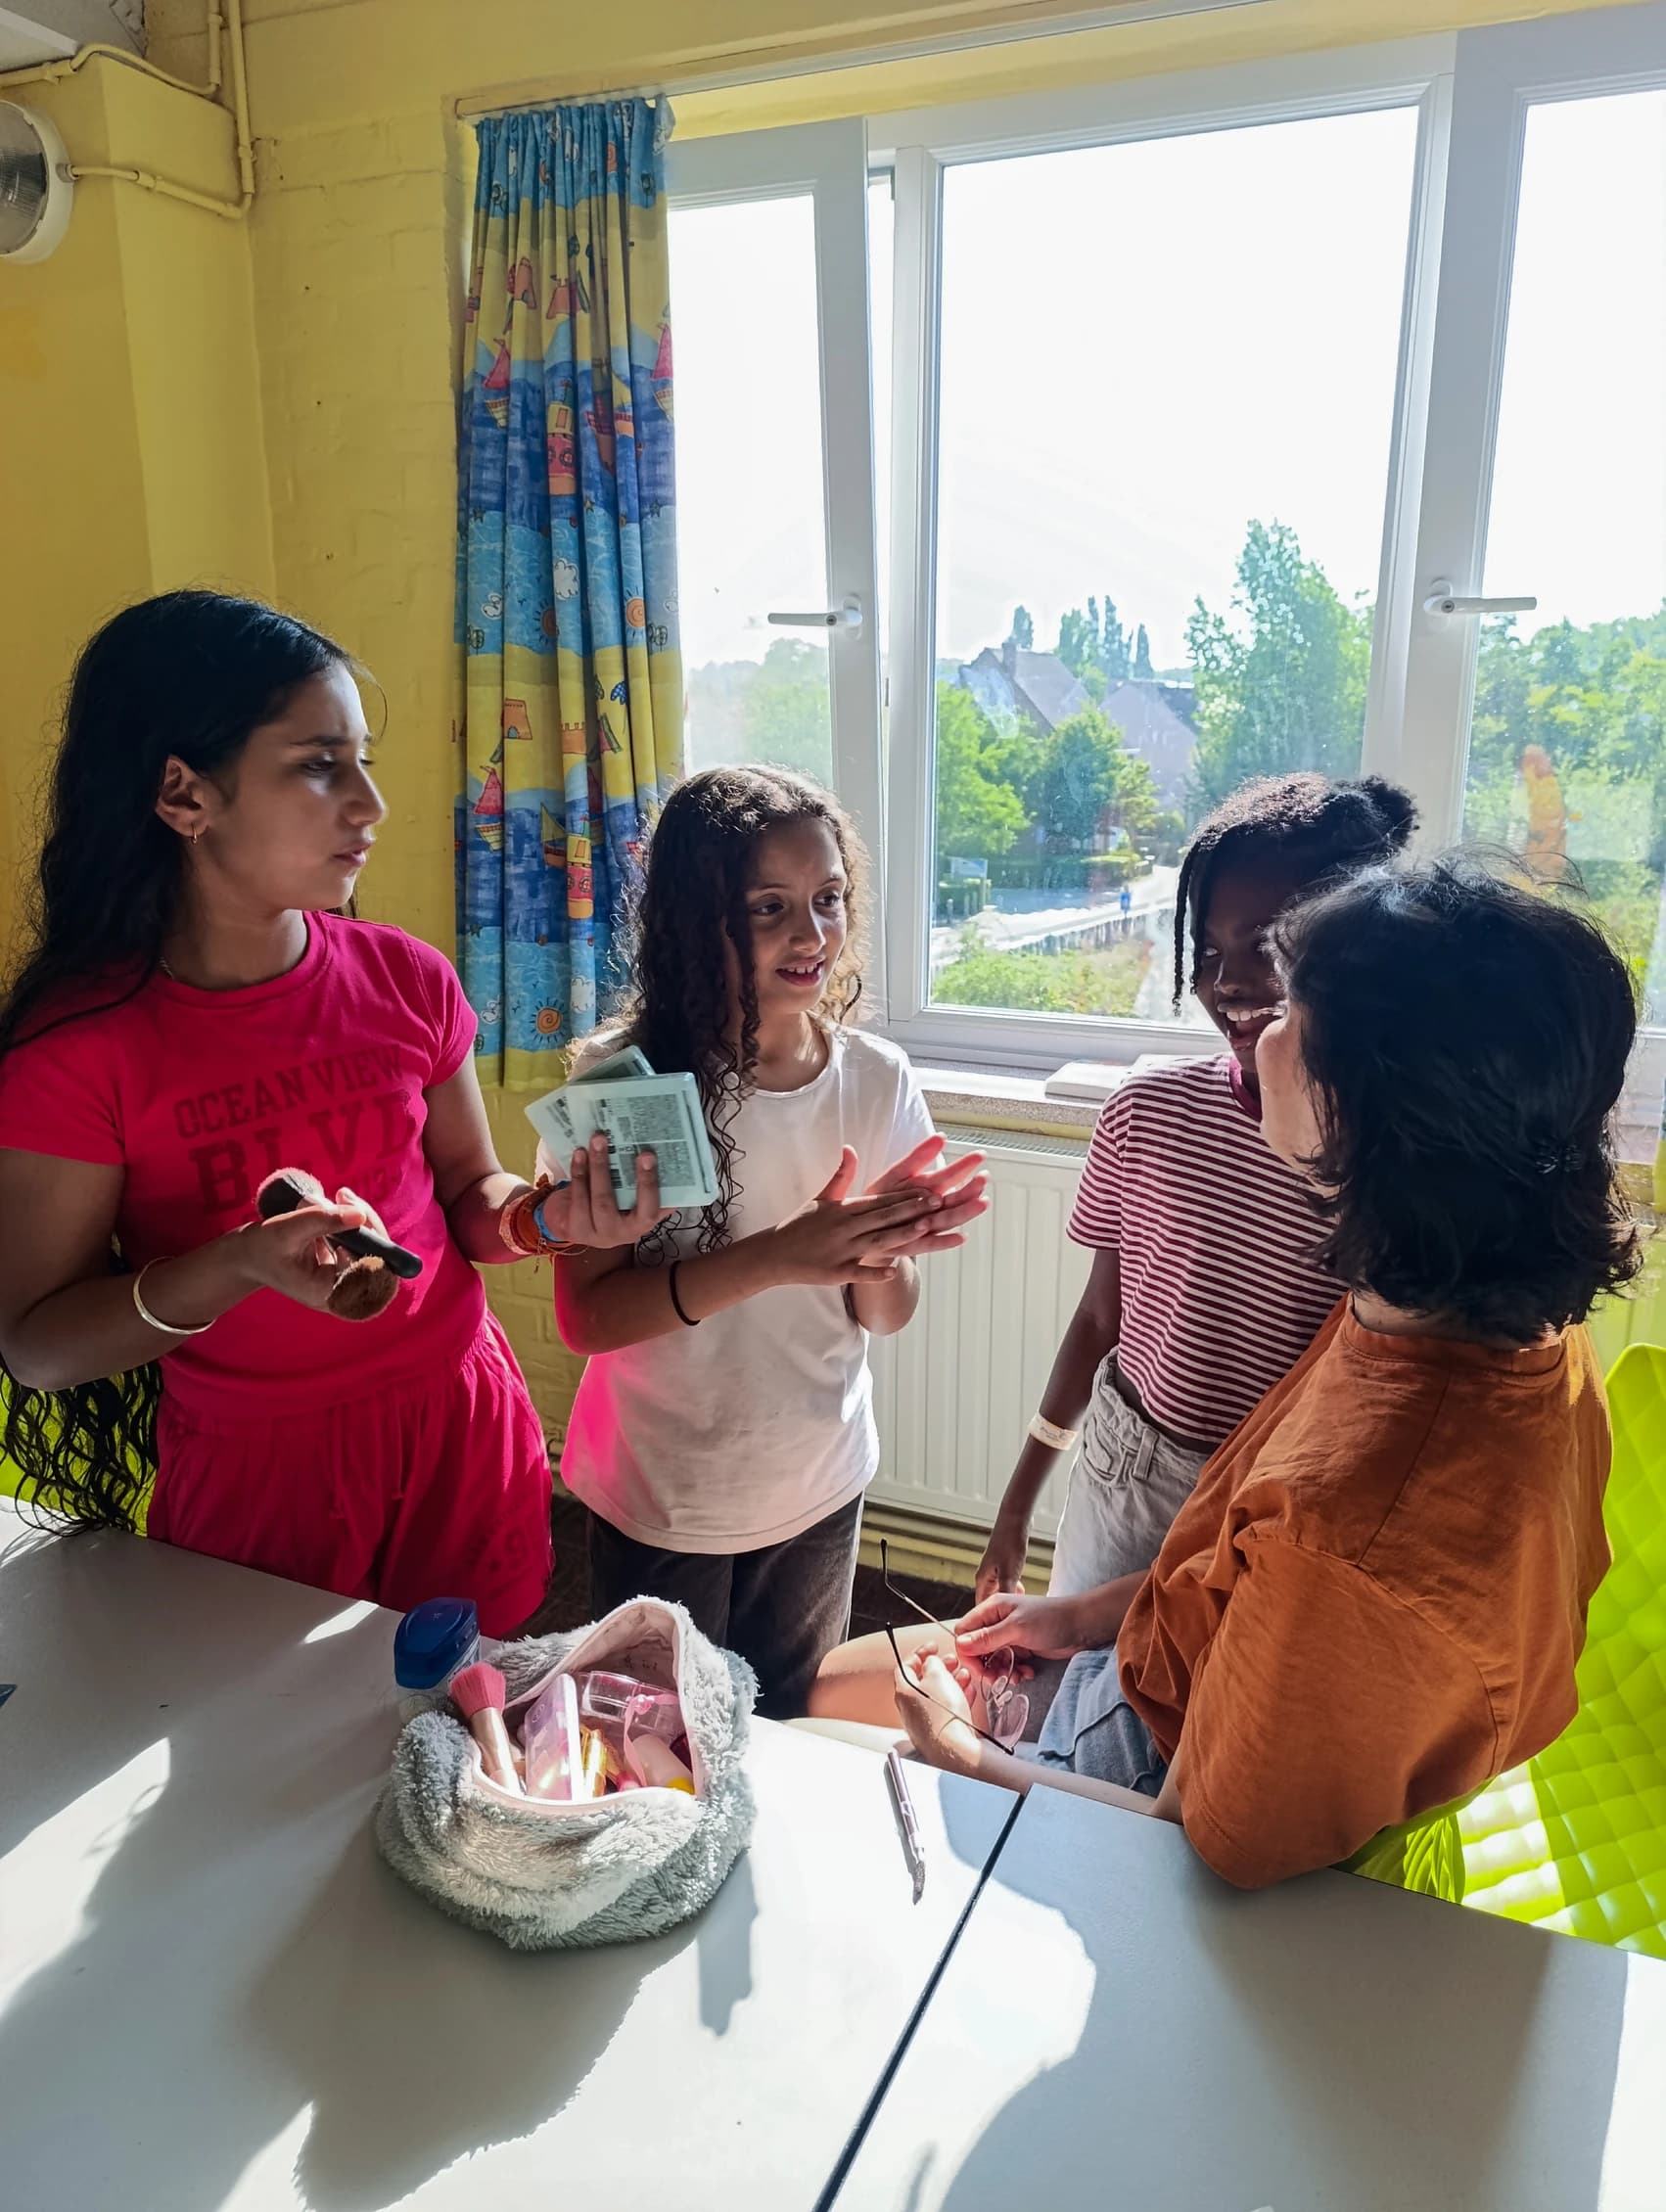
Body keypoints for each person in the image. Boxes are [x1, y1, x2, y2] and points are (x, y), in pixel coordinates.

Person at [811, 856, 1636, 1888]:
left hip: (1138, 1776)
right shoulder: (1458, 1310)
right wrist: (1075, 1616)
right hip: (1145, 1663)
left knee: (813, 1759)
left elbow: (1191, 1841)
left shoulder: (1349, 1536)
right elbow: (1232, 1557)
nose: (1257, 1027)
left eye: (1292, 1010)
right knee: (824, 1679)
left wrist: (962, 1755)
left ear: (1367, 1113)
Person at [0, 590, 663, 1634]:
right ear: (184, 794)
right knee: (274, 1754)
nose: (369, 803)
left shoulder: (407, 978)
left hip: (460, 1425)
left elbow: (470, 1199)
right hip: (265, 1475)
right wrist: (238, 1263)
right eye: (318, 765)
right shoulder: (81, 1050)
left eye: (362, 761)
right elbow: (36, 1346)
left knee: (468, 1723)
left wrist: (550, 1220)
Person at [548, 765, 988, 1716]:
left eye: (828, 899)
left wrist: (880, 1249)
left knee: (782, 1723)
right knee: (653, 1734)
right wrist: (786, 1253)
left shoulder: (876, 1078)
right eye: (768, 907)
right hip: (663, 1486)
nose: (811, 934)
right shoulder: (624, 1079)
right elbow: (586, 1316)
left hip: (815, 1478)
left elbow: (889, 1311)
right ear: (693, 919)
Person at [977, 774, 1416, 1607]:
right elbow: (1101, 1317)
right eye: (1209, 953)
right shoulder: (1147, 1113)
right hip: (1129, 1475)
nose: (1230, 983)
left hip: (1283, 1501)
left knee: (1213, 1723)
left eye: (1269, 946)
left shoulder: (1389, 1167)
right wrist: (1018, 1497)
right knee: (1082, 1706)